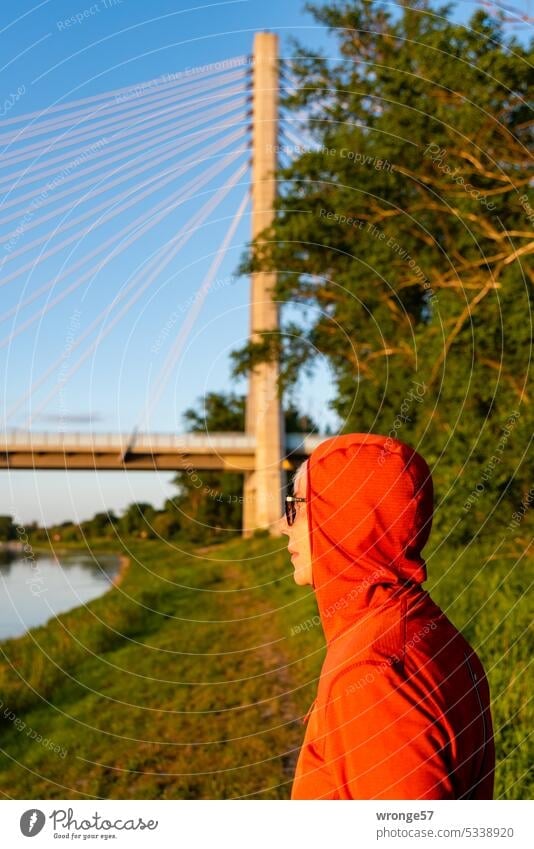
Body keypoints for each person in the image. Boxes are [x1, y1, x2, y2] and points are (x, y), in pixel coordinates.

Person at [280, 433, 495, 800]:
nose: (284, 525)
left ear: (344, 518)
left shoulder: (373, 674)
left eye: (296, 506)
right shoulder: (417, 623)